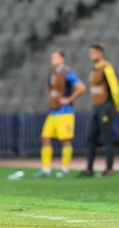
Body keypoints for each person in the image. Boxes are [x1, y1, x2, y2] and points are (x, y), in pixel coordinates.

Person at [33, 49, 86, 178]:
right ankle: (46, 169)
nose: (53, 60)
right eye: (52, 58)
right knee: (45, 137)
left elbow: (81, 87)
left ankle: (64, 169)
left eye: (55, 57)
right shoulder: (51, 74)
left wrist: (69, 99)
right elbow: (50, 88)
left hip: (65, 113)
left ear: (62, 59)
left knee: (65, 140)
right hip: (53, 112)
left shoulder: (67, 73)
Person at [79, 44, 119, 177]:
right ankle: (89, 168)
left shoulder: (106, 67)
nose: (90, 55)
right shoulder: (94, 69)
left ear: (100, 53)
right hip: (96, 107)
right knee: (91, 137)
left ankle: (109, 168)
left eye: (93, 53)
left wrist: (117, 104)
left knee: (106, 137)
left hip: (106, 106)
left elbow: (114, 87)